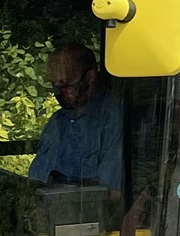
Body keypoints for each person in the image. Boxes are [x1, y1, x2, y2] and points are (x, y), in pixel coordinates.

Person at [33, 44, 124, 189]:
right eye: (53, 84)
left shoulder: (113, 119)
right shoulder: (58, 120)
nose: (59, 92)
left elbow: (112, 193)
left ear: (89, 78)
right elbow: (35, 178)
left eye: (65, 83)